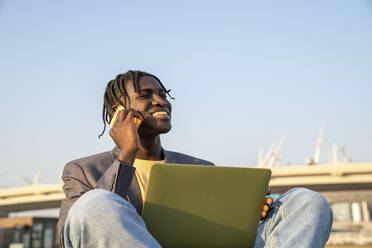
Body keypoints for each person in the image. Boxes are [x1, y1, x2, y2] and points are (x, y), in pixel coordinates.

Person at [57, 70, 333, 248]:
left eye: (162, 95)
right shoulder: (82, 170)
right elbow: (67, 239)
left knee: (306, 201)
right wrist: (126, 154)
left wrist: (247, 215)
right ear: (119, 111)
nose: (160, 101)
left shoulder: (200, 169)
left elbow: (223, 236)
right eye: (146, 95)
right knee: (93, 203)